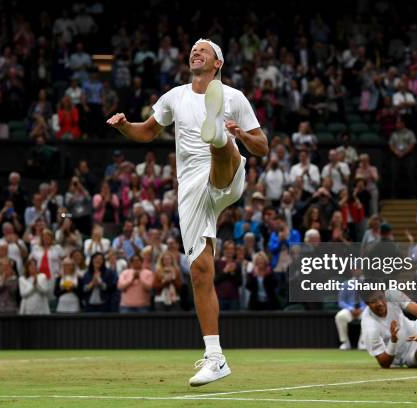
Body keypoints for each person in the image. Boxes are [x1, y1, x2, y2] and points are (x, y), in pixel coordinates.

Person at [108, 38, 267, 386]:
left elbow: (262, 146)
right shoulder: (174, 96)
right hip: (191, 189)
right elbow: (146, 132)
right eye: (193, 49)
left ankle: (220, 140)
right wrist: (123, 126)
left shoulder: (235, 98)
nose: (195, 52)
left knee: (221, 151)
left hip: (228, 171)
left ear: (217, 64)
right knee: (199, 270)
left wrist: (239, 134)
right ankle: (215, 358)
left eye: (204, 50)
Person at [335, 268, 366, 350]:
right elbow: (341, 301)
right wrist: (350, 308)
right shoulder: (346, 284)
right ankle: (345, 342)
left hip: (364, 310)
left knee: (368, 315)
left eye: (358, 268)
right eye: (354, 269)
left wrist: (362, 308)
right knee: (340, 316)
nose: (356, 270)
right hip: (350, 310)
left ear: (362, 269)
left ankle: (363, 342)